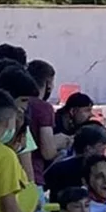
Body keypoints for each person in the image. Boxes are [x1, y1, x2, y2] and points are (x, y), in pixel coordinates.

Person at [26, 60, 69, 188]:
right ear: (48, 83)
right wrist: (59, 141)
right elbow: (47, 151)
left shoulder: (12, 103)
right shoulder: (43, 108)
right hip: (34, 175)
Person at [43, 124, 106, 203]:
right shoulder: (62, 168)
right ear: (88, 149)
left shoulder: (59, 166)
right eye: (101, 145)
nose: (104, 148)